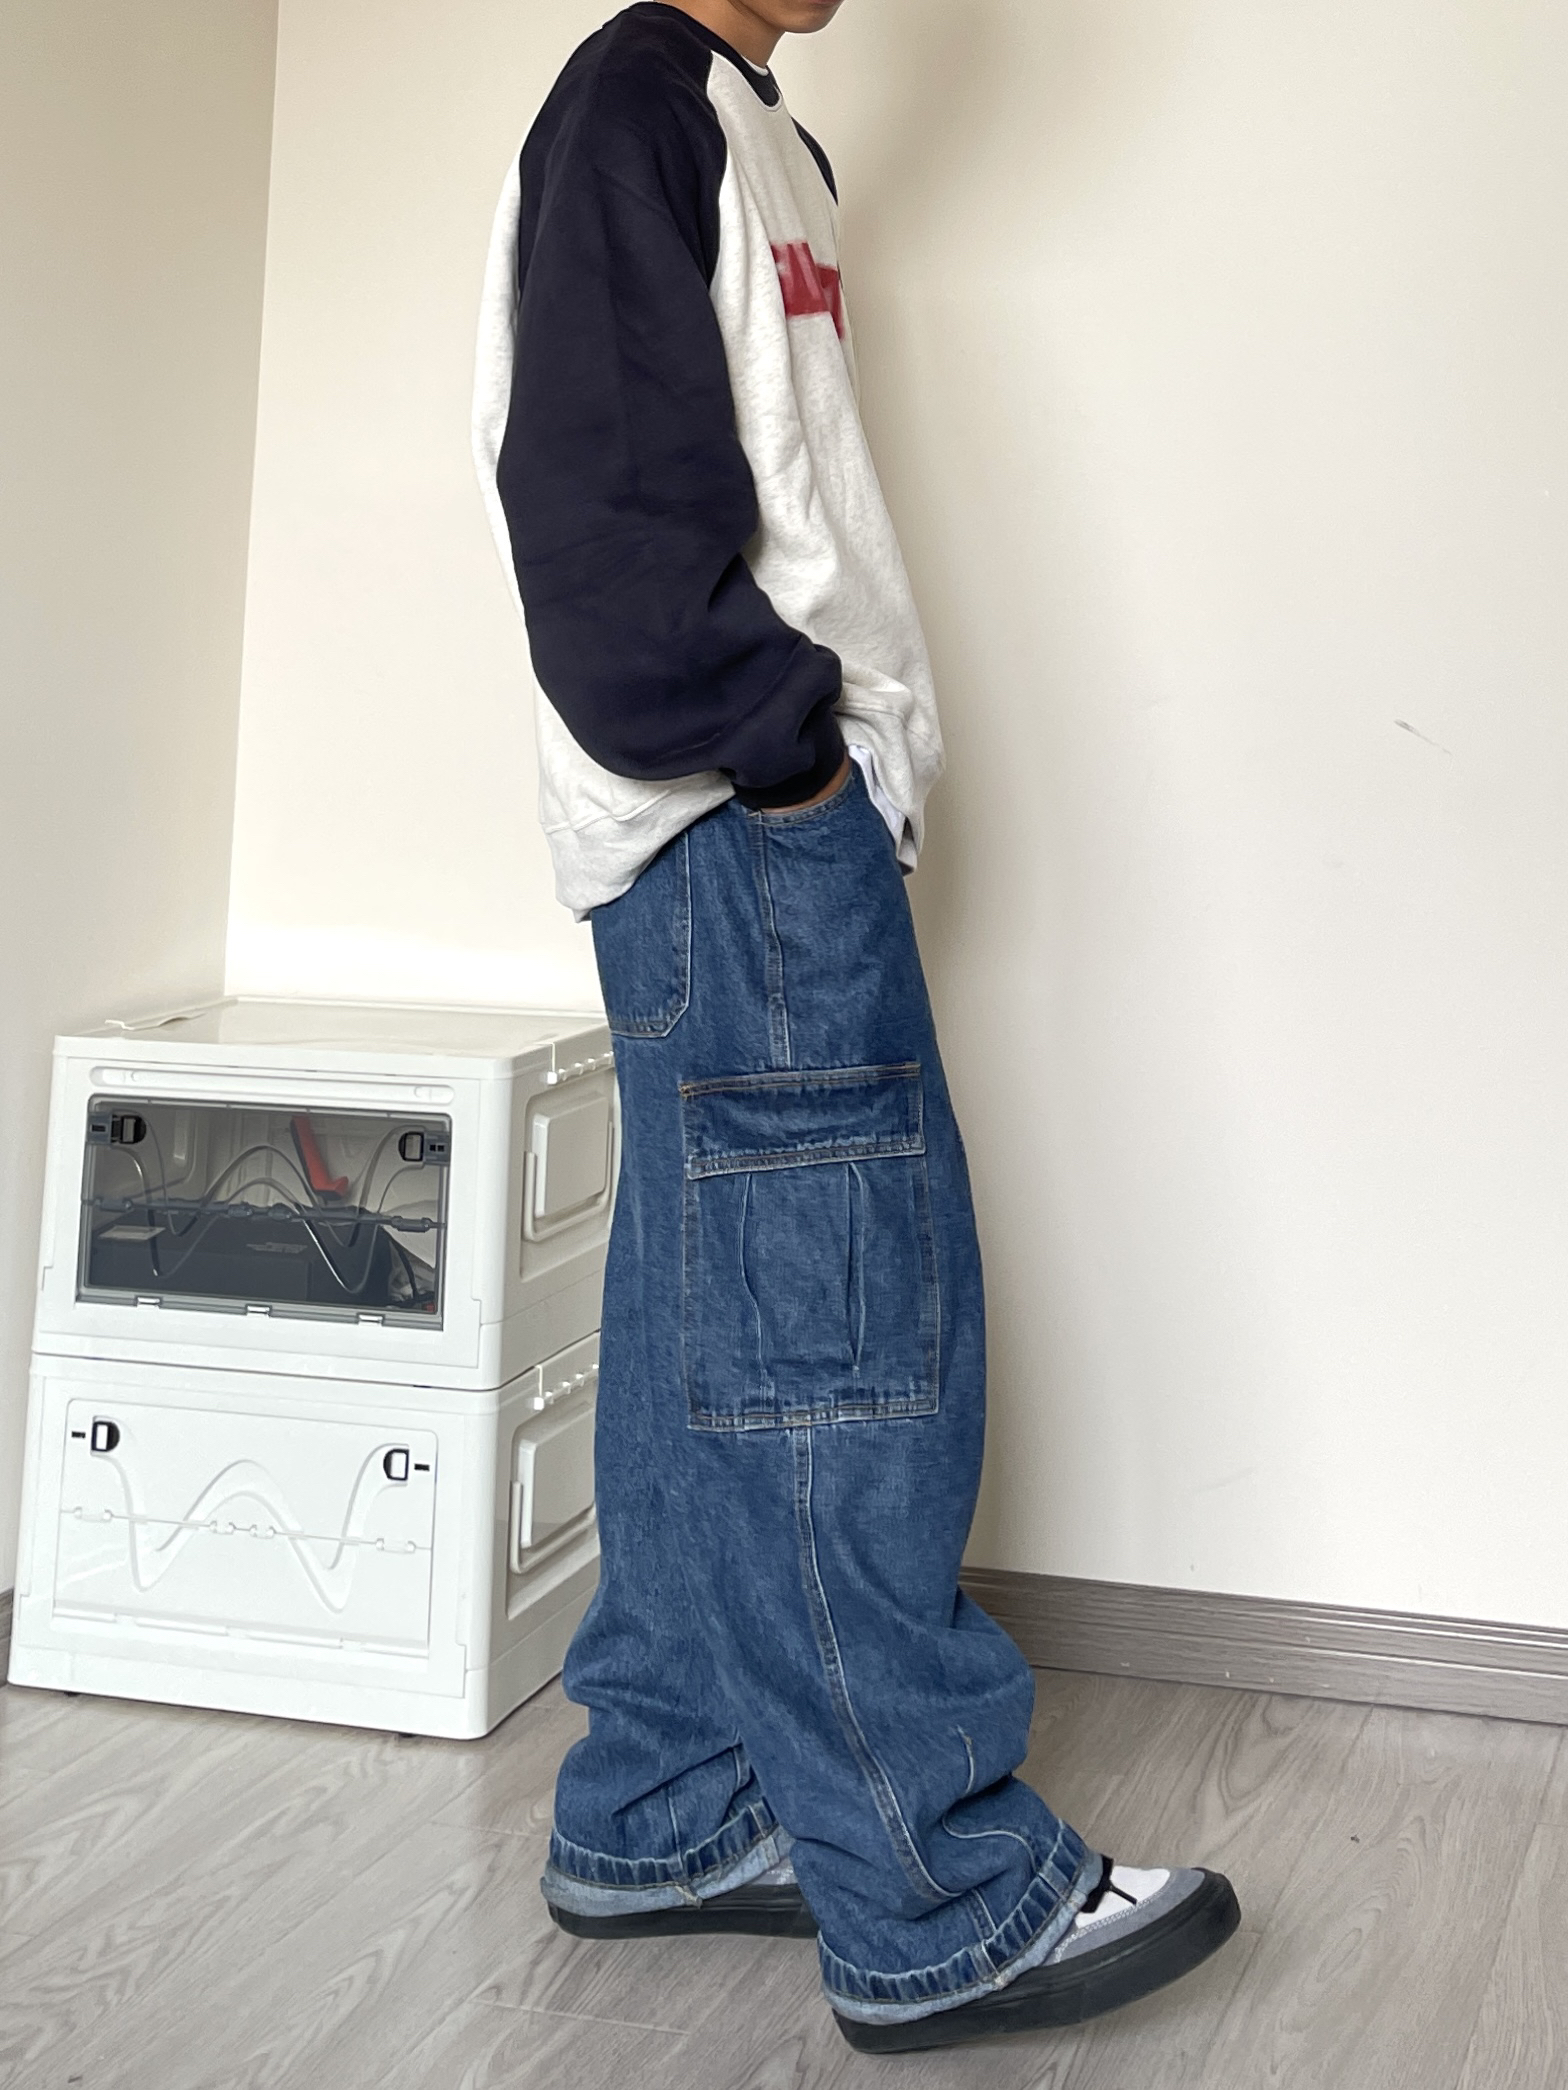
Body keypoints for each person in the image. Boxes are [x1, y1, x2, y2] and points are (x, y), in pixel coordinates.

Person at [474, 0, 1240, 2054]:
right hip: (737, 835)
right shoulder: (634, 112)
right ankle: (935, 1891)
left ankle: (662, 1803)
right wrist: (793, 765)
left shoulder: (754, 132)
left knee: (707, 1338)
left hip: (739, 837)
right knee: (836, 1355)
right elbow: (603, 532)